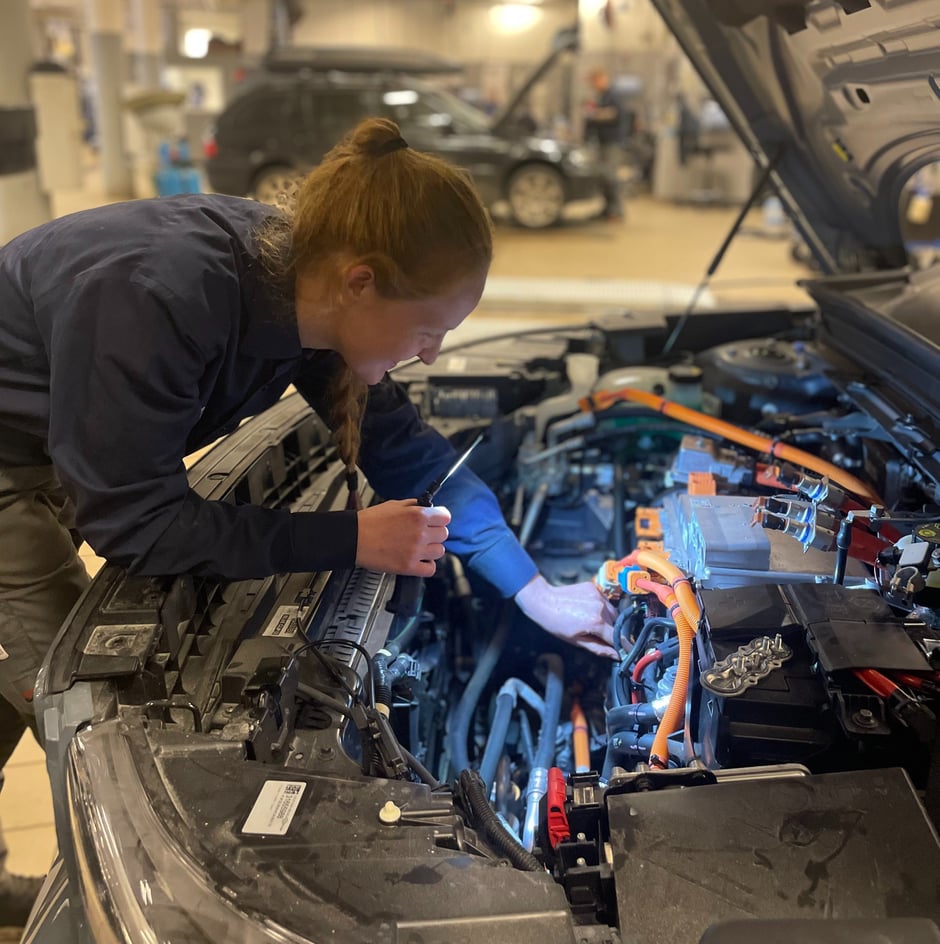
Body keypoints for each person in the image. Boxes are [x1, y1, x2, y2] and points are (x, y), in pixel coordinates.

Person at [0, 117, 617, 923]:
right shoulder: (160, 295)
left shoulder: (309, 289)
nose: (430, 354)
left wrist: (531, 589)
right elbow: (138, 525)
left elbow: (417, 459)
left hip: (64, 435)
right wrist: (351, 538)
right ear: (360, 280)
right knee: (75, 713)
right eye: (428, 329)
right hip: (10, 462)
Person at [584, 68, 625, 221]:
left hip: (612, 141)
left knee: (610, 176)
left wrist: (595, 114)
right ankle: (607, 209)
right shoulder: (601, 97)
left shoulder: (613, 95)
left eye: (595, 81)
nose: (593, 85)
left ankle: (616, 211)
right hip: (602, 140)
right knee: (602, 177)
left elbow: (614, 114)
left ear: (603, 79)